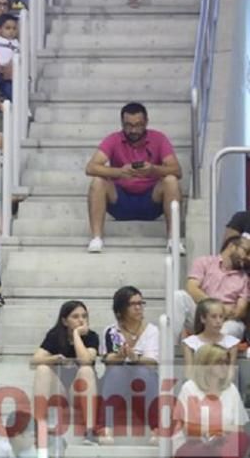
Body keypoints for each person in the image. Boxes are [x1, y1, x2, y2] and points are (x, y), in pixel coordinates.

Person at [85, 102, 182, 253]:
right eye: (128, 125)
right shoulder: (113, 139)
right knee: (98, 181)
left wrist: (153, 169)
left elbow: (177, 170)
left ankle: (173, 240)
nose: (133, 130)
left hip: (151, 201)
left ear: (146, 122)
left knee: (171, 180)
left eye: (138, 125)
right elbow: (91, 167)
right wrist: (120, 172)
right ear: (122, 124)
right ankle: (96, 238)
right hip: (121, 200)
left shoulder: (159, 139)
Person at [31, 300, 100, 444]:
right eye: (75, 317)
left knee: (86, 370)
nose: (81, 320)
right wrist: (53, 358)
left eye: (84, 316)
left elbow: (86, 360)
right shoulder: (55, 335)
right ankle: (39, 426)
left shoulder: (92, 336)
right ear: (64, 321)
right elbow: (34, 360)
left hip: (80, 390)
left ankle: (90, 431)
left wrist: (76, 335)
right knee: (43, 369)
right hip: (59, 390)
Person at [172, 344, 250, 458]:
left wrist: (217, 433)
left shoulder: (231, 389)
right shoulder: (190, 388)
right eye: (219, 363)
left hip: (222, 443)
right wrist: (221, 429)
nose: (225, 367)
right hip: (193, 444)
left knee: (240, 439)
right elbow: (189, 429)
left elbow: (238, 428)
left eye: (226, 362)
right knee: (208, 453)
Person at [98, 285, 160, 439]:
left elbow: (152, 362)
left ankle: (157, 429)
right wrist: (119, 356)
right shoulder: (111, 331)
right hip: (116, 381)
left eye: (141, 303)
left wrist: (135, 358)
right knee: (117, 370)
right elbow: (107, 358)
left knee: (142, 371)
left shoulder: (152, 330)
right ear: (121, 309)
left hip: (143, 382)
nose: (139, 308)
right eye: (134, 304)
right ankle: (107, 428)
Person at [173, 234, 249, 341]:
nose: (247, 257)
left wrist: (220, 313)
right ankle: (170, 346)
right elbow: (192, 288)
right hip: (201, 316)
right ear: (232, 247)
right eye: (246, 251)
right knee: (178, 296)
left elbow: (239, 311)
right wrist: (216, 307)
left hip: (226, 321)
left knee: (228, 329)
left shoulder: (244, 278)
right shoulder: (204, 262)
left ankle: (206, 351)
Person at [181, 297, 241, 379]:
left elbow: (231, 372)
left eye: (221, 317)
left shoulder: (231, 343)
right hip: (198, 385)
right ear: (203, 318)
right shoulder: (190, 343)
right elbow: (189, 372)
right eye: (213, 317)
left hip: (222, 385)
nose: (218, 321)